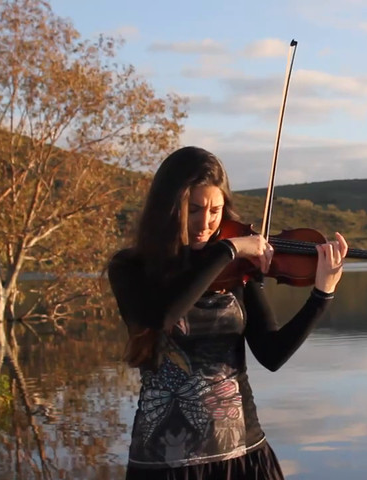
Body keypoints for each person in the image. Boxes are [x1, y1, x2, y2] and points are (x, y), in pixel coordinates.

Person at [107, 146, 348, 479]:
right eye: (194, 210)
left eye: (215, 210)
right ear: (169, 208)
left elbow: (271, 354)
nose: (205, 223)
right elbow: (160, 317)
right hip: (163, 464)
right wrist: (230, 248)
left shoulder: (238, 272)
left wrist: (322, 295)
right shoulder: (130, 268)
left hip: (242, 456)